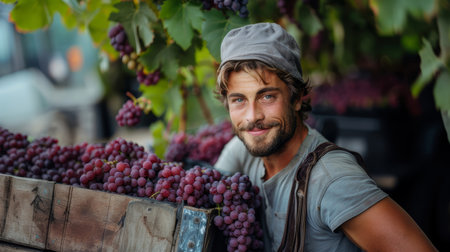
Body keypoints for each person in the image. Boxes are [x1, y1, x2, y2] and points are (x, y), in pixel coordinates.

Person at [213, 22, 437, 252]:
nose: (252, 117)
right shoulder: (244, 151)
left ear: (297, 97)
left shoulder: (332, 181)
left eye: (267, 97)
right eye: (239, 100)